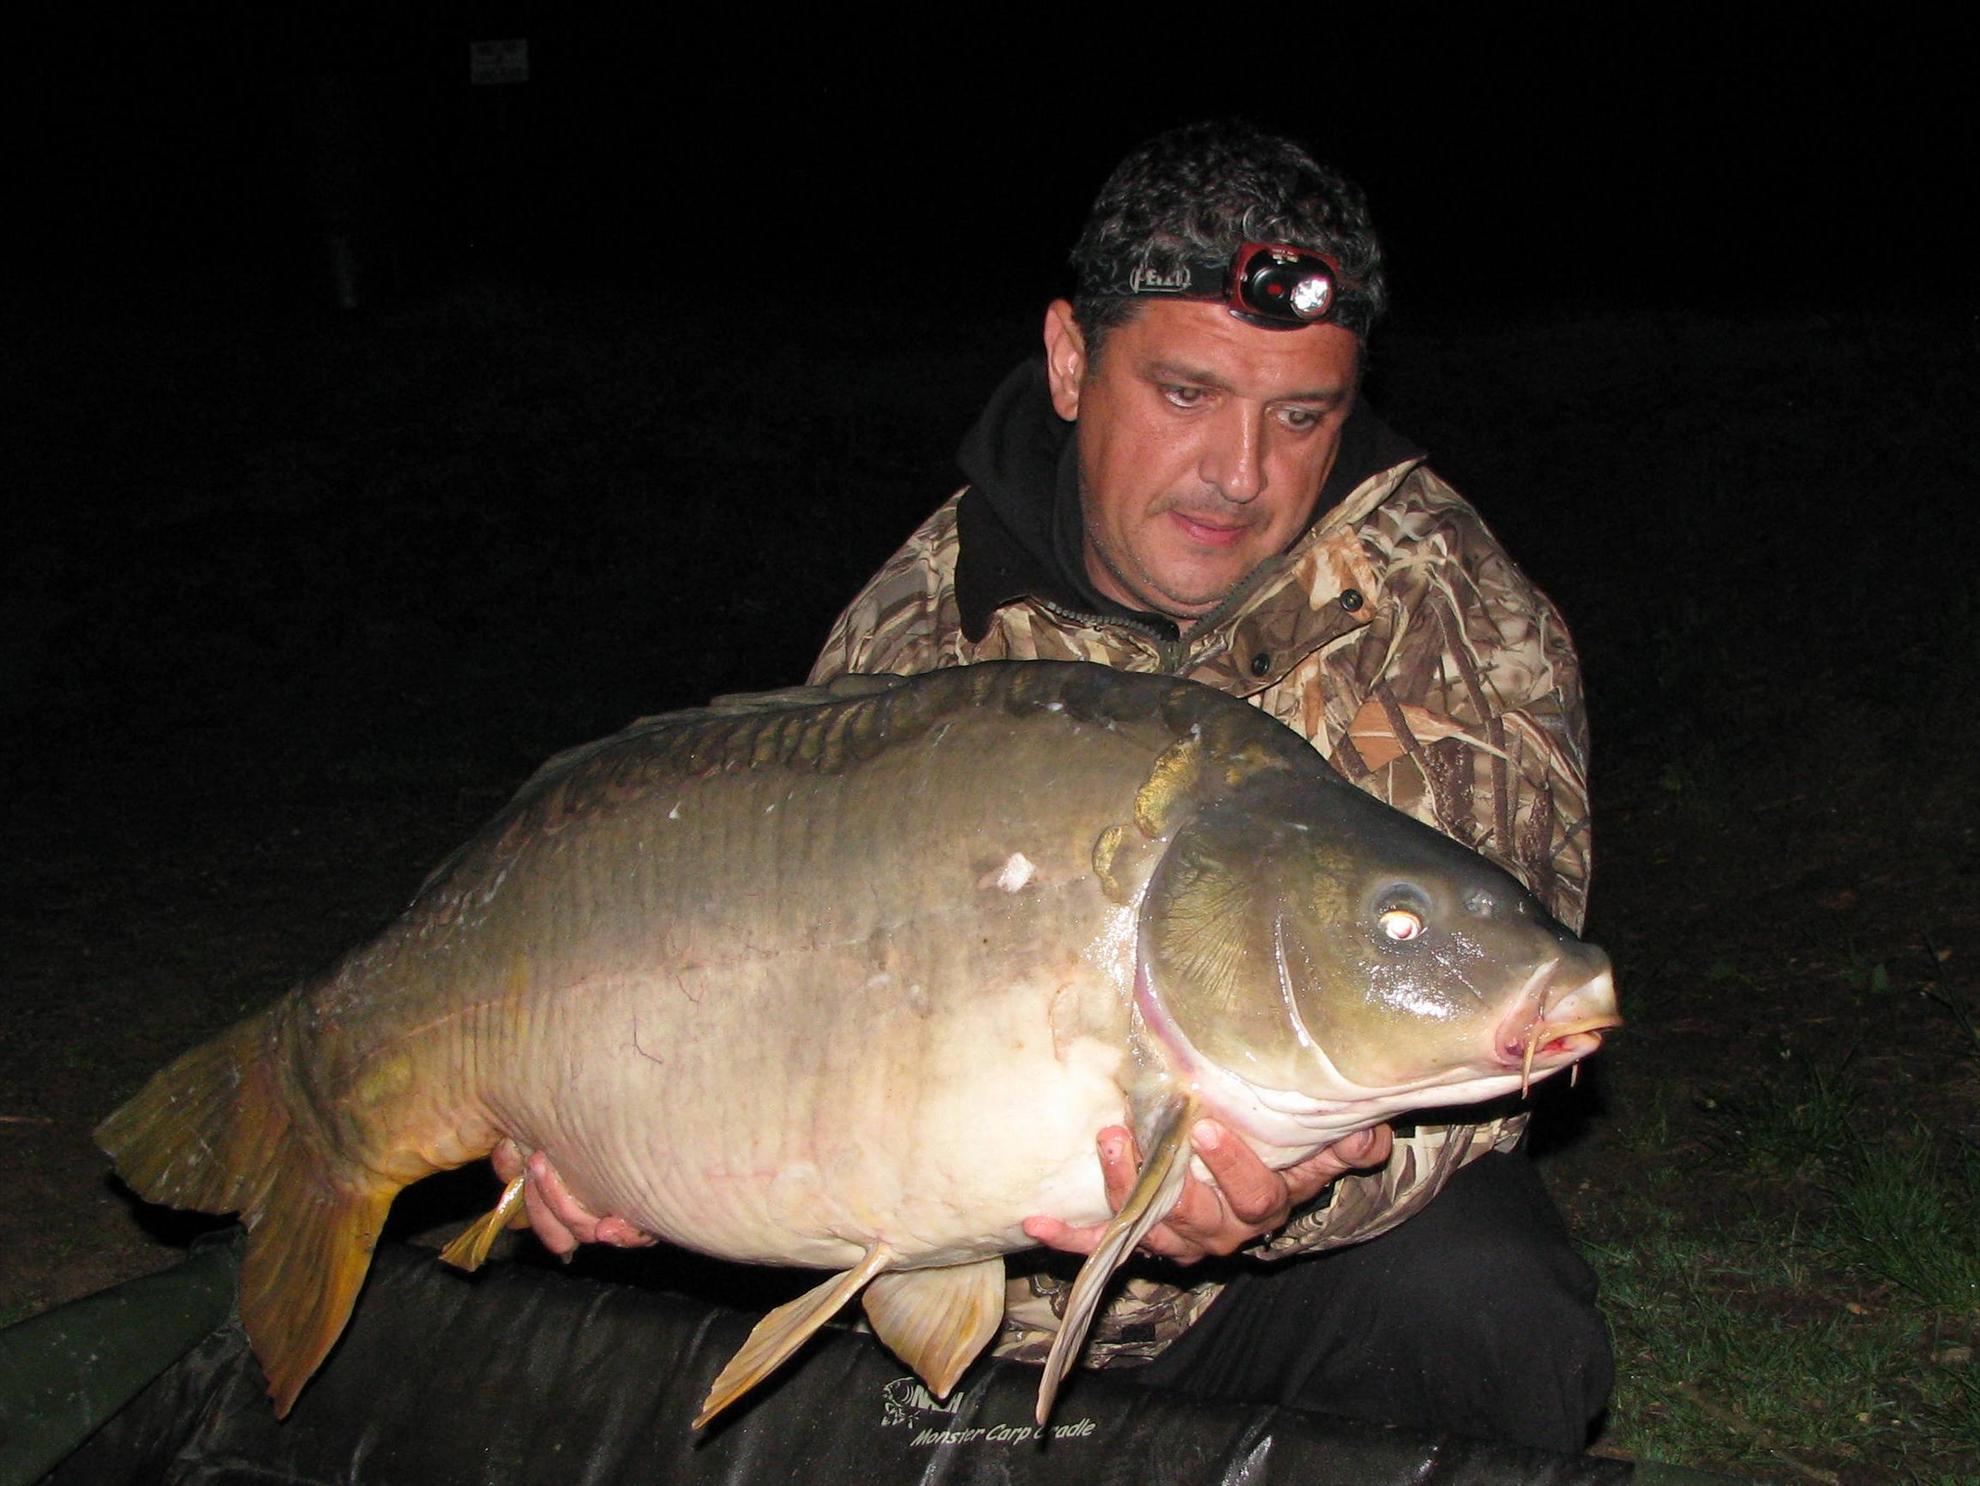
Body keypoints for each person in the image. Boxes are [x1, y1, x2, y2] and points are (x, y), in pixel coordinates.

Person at [497, 120, 1610, 1453]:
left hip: (1284, 1303)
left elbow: (1478, 1008)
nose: (1242, 471)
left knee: (1489, 1304)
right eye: (1188, 392)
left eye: (1301, 414)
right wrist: (578, 1128)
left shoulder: (1444, 609)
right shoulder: (917, 634)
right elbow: (751, 984)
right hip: (981, 1312)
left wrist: (1298, 1191)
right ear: (1074, 361)